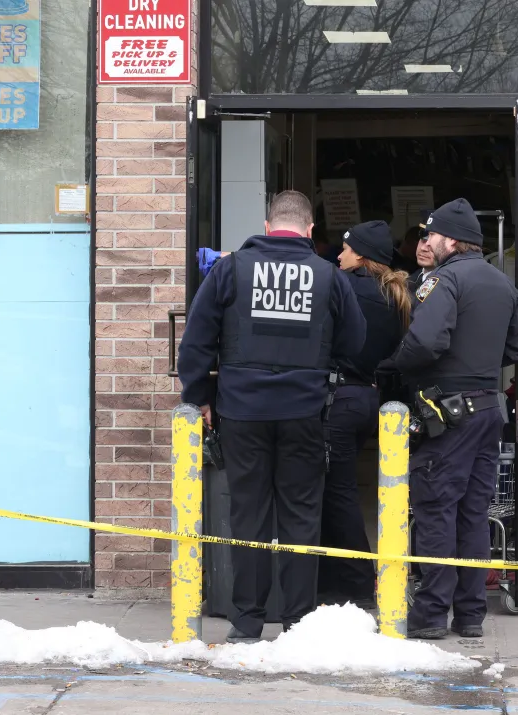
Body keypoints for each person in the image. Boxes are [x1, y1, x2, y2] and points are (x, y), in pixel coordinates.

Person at [178, 190, 366, 644]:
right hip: (304, 410)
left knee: (249, 515)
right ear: (309, 230)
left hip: (241, 412)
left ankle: (247, 621)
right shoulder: (328, 276)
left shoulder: (230, 269)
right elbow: (356, 341)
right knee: (302, 515)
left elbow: (196, 342)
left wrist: (200, 395)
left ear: (267, 227)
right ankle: (299, 620)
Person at [379, 198, 518, 640]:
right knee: (473, 513)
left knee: (436, 510)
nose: (427, 242)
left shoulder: (443, 281)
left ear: (451, 240)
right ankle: (470, 615)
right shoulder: (503, 284)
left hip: (449, 413)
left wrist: (393, 366)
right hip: (488, 410)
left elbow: (425, 343)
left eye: (432, 235)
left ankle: (429, 616)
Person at [318, 220, 413, 609]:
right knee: (339, 490)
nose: (337, 256)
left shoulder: (346, 287)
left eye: (344, 249)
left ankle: (357, 583)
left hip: (338, 400)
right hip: (367, 399)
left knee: (335, 493)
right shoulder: (394, 296)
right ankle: (342, 579)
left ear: (360, 255)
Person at [407, 213, 436, 296]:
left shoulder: (447, 284)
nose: (423, 248)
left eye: (431, 244)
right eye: (423, 240)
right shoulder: (411, 278)